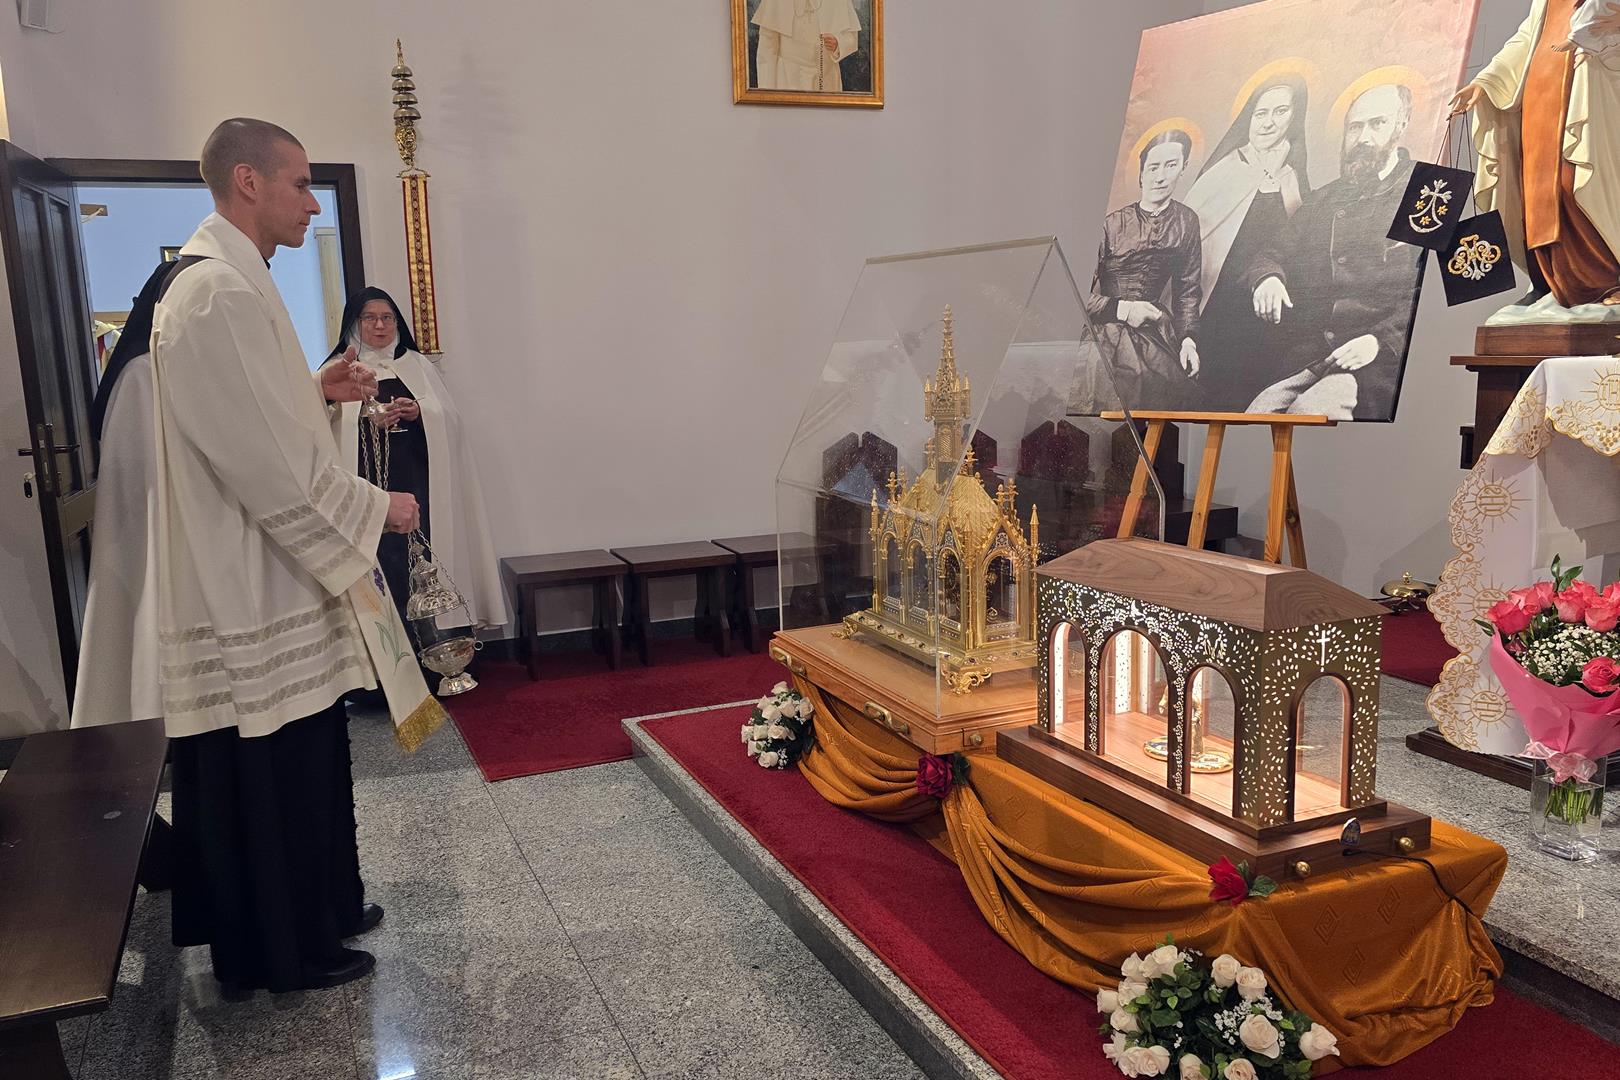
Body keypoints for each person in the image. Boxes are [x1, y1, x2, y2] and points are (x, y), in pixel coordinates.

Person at [150, 117, 436, 993]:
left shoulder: (237, 279)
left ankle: (323, 911)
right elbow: (265, 466)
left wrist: (315, 392)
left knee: (308, 756)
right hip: (251, 577)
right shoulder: (216, 293)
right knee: (273, 768)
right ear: (248, 181)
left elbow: (258, 420)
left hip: (271, 568)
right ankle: (285, 950)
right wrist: (376, 508)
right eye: (302, 184)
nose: (314, 203)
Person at [320, 287, 506, 641]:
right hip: (370, 488)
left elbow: (451, 422)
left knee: (431, 556)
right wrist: (367, 420)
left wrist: (420, 412)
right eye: (370, 318)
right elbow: (324, 433)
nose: (379, 326)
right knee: (384, 565)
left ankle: (443, 648)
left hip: (422, 483)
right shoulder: (337, 371)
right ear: (354, 323)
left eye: (387, 318)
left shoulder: (417, 365)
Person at [1242, 84, 1424, 420]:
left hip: (1378, 362)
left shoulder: (1426, 192)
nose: (1363, 138)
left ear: (1401, 125)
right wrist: (1267, 278)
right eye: (1355, 127)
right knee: (1255, 416)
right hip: (1314, 354)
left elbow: (1425, 294)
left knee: (1308, 414)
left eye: (1377, 124)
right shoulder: (1324, 199)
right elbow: (1271, 253)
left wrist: (1379, 340)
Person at [1451, 0, 1620, 312]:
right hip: (1541, 92)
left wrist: (1596, 30)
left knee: (1574, 183)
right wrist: (1485, 82)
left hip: (1587, 85)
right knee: (1536, 194)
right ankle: (1548, 280)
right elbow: (1527, 37)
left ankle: (1603, 280)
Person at [1185, 74, 1312, 409]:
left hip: (1266, 315)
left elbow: (1300, 248)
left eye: (1280, 112)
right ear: (1249, 119)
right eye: (1260, 113)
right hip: (1217, 307)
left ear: (1294, 116)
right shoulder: (1226, 168)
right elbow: (1188, 241)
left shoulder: (1292, 177)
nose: (1268, 123)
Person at [1084, 129, 1203, 412]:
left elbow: (1187, 290)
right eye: (1153, 167)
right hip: (1105, 327)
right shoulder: (1111, 224)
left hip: (1155, 331)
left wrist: (1189, 341)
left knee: (1166, 387)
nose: (1161, 177)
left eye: (1171, 165)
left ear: (1183, 168)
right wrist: (1124, 309)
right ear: (1141, 173)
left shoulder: (1187, 221)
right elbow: (1076, 293)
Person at [752, 0, 861, 92]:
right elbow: (767, 52)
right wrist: (767, 93)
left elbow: (851, 37)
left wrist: (838, 43)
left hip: (826, 78)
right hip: (787, 79)